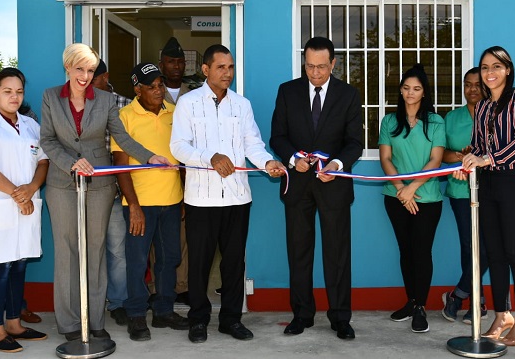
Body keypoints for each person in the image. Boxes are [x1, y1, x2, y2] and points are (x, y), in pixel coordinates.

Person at [40, 43, 171, 341]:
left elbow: (122, 137)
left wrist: (150, 157)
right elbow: (48, 140)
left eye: (89, 70)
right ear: (67, 68)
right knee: (67, 253)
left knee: (96, 252)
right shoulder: (50, 97)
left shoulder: (106, 99)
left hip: (99, 187)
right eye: (79, 69)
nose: (85, 76)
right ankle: (71, 323)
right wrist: (72, 163)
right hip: (62, 184)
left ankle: (94, 319)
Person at [170, 44, 286, 343]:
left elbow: (253, 144)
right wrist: (210, 156)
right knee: (199, 262)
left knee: (234, 262)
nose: (227, 73)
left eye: (231, 67)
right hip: (201, 198)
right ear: (205, 70)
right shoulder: (188, 103)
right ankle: (198, 320)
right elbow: (178, 147)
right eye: (221, 67)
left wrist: (268, 162)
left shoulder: (241, 105)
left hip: (237, 197)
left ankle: (230, 319)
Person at [270, 36, 363, 340]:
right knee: (299, 253)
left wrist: (336, 165)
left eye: (322, 67)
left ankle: (340, 317)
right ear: (304, 63)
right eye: (310, 66)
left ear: (333, 63)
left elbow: (354, 143)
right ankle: (301, 314)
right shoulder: (287, 91)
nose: (316, 72)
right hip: (297, 187)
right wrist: (293, 157)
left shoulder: (348, 95)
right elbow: (278, 136)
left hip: (333, 187)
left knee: (337, 254)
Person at [456, 46, 515, 346]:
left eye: (496, 67)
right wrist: (466, 164)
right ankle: (503, 315)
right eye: (485, 67)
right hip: (488, 186)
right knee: (497, 255)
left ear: (508, 70)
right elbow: (477, 146)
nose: (490, 73)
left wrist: (485, 160)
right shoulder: (484, 107)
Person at [113, 62, 189, 341]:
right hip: (140, 203)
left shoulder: (175, 113)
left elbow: (181, 158)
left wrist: (182, 197)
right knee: (137, 260)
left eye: (160, 85)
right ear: (137, 89)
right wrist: (132, 206)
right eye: (151, 86)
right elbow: (120, 165)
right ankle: (135, 315)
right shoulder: (124, 116)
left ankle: (163, 311)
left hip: (171, 200)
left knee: (169, 258)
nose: (158, 91)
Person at [0, 68, 49, 353]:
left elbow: (43, 161)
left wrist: (32, 187)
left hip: (26, 204)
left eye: (19, 91)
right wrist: (18, 194)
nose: (14, 96)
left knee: (19, 264)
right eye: (7, 91)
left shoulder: (31, 125)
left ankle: (13, 324)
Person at [378, 64, 445, 333]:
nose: (410, 93)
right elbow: (385, 158)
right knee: (405, 251)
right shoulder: (389, 121)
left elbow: (436, 159)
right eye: (406, 88)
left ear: (424, 92)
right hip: (395, 197)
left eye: (416, 89)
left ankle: (420, 308)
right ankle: (411, 301)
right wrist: (401, 189)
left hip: (427, 198)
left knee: (421, 252)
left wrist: (412, 187)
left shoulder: (436, 121)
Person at [441, 67, 489, 324]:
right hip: (460, 190)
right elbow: (441, 154)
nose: (472, 89)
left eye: (477, 84)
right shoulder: (451, 118)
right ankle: (476, 303)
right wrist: (460, 157)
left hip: (491, 190)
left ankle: (459, 294)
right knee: (469, 246)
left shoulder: (495, 114)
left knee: (489, 247)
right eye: (467, 84)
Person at [90, 59, 131, 326]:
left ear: (105, 77)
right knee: (87, 250)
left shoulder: (125, 105)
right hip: (83, 192)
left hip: (115, 191)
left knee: (117, 250)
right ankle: (90, 303)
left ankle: (118, 302)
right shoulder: (75, 105)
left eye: (92, 77)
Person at [156, 36, 190, 306]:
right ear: (161, 64)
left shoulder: (196, 92)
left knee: (185, 232)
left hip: (191, 171)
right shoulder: (153, 93)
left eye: (180, 61)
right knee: (160, 235)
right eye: (170, 61)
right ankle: (158, 287)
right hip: (161, 172)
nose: (176, 66)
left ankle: (183, 285)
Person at [159, 37, 191, 104]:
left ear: (185, 65)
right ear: (161, 66)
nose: (176, 66)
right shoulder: (154, 94)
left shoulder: (192, 95)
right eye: (171, 62)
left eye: (180, 62)